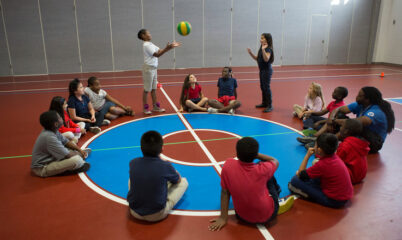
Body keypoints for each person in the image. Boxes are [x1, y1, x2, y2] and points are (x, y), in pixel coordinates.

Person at [209, 137, 294, 231]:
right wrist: (256, 155)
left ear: (237, 153)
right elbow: (275, 161)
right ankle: (276, 199)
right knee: (268, 175)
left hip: (242, 216)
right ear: (255, 154)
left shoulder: (228, 165)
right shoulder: (263, 169)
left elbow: (225, 192)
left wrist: (223, 218)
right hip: (268, 216)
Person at [127, 131, 188, 222]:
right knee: (183, 182)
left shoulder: (133, 162)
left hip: (134, 211)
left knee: (132, 178)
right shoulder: (165, 165)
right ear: (162, 149)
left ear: (141, 148)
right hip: (156, 214)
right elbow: (177, 180)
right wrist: (168, 165)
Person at [289, 133, 353, 208]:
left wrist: (307, 155)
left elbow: (300, 174)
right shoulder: (334, 157)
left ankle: (306, 195)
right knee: (312, 175)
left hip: (334, 201)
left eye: (315, 145)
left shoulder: (323, 164)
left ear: (319, 149)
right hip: (345, 195)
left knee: (295, 180)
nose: (314, 146)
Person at [328, 86, 394, 153]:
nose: (356, 97)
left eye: (359, 96)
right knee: (340, 115)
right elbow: (339, 109)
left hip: (374, 142)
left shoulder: (376, 110)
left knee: (353, 125)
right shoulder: (360, 104)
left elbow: (355, 122)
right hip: (363, 135)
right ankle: (330, 138)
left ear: (367, 99)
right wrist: (330, 120)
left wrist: (334, 121)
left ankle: (329, 141)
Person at [31, 111, 91, 177]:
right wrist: (79, 154)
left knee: (71, 149)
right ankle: (71, 168)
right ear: (56, 124)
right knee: (77, 160)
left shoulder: (53, 130)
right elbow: (68, 155)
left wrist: (80, 150)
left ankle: (78, 157)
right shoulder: (49, 137)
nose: (62, 118)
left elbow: (66, 142)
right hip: (42, 168)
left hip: (52, 158)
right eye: (60, 117)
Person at [138, 29, 181, 115]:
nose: (150, 34)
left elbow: (160, 51)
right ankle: (145, 108)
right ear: (143, 35)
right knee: (147, 89)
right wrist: (167, 48)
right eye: (148, 33)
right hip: (148, 69)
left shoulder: (150, 44)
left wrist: (170, 47)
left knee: (154, 89)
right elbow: (157, 55)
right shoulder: (146, 45)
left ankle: (155, 107)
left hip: (154, 68)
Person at [247, 33, 275, 112]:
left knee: (266, 87)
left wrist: (263, 49)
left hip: (267, 70)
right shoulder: (261, 47)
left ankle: (270, 105)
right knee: (262, 87)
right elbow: (257, 58)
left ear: (267, 39)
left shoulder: (268, 48)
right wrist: (250, 53)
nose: (261, 39)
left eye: (262, 38)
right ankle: (264, 103)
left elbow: (266, 59)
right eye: (261, 38)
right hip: (262, 70)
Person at [337, 119, 370, 184]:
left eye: (341, 126)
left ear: (346, 131)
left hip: (350, 177)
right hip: (360, 176)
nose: (340, 128)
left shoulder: (345, 145)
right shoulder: (360, 142)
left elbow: (335, 162)